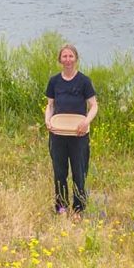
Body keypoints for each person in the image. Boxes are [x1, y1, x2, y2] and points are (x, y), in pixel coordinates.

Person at [43, 43, 98, 215]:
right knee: (59, 173)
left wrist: (86, 122)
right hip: (58, 134)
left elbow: (94, 106)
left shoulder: (84, 81)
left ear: (76, 58)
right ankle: (61, 207)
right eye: (64, 56)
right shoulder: (54, 81)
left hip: (79, 134)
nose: (68, 60)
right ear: (60, 59)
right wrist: (47, 120)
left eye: (70, 56)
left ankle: (79, 209)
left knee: (79, 173)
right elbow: (50, 106)